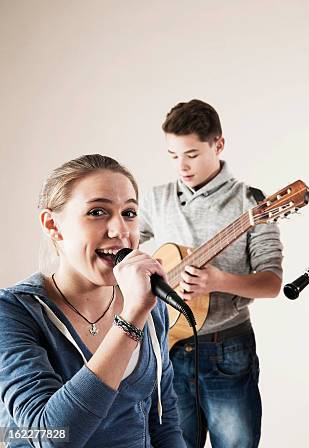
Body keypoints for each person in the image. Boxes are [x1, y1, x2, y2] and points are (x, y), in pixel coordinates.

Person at [0, 154, 185, 447]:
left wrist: (140, 309)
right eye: (98, 212)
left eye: (129, 213)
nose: (120, 230)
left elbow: (164, 420)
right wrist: (131, 319)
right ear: (52, 225)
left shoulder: (150, 304)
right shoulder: (13, 311)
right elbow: (48, 436)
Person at [138, 99, 283, 448]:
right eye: (173, 155)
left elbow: (272, 282)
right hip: (167, 351)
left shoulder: (253, 203)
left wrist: (220, 281)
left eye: (191, 154)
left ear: (218, 144)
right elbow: (122, 248)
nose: (182, 166)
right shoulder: (155, 200)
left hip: (227, 350)